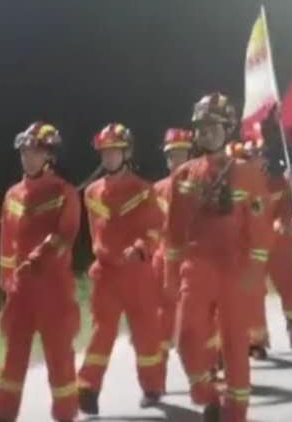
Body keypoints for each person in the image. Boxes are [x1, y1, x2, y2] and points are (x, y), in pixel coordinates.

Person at [165, 93, 275, 422]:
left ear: (228, 129)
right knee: (186, 339)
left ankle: (235, 412)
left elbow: (260, 231)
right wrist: (170, 276)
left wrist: (254, 275)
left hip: (234, 270)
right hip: (196, 269)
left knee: (234, 345)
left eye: (214, 126)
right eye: (201, 127)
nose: (207, 133)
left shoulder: (247, 172)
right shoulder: (184, 175)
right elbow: (173, 232)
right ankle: (206, 394)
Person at [0, 122, 81, 422]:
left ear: (49, 156)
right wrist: (6, 282)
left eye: (35, 152)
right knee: (12, 356)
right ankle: (0, 413)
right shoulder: (13, 194)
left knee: (59, 358)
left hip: (54, 291)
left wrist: (37, 259)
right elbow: (6, 243)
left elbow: (65, 235)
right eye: (24, 152)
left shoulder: (64, 192)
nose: (28, 158)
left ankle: (65, 413)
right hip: (20, 294)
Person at [77, 123, 165, 414]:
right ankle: (87, 388)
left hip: (137, 273)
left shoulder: (143, 190)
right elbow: (95, 232)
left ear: (126, 153)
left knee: (145, 332)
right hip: (106, 275)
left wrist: (140, 248)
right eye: (105, 152)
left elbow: (155, 229)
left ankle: (152, 386)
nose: (109, 156)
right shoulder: (91, 192)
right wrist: (101, 255)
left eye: (114, 151)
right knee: (101, 333)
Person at [245, 139, 292, 358]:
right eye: (250, 156)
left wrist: (283, 221)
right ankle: (257, 341)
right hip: (252, 248)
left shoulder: (279, 183)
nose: (255, 160)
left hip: (278, 243)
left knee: (288, 286)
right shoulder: (240, 186)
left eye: (258, 155)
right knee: (253, 294)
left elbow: (285, 209)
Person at [152, 127, 194, 385]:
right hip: (163, 261)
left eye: (180, 154)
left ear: (189, 156)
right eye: (171, 155)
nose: (175, 159)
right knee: (161, 321)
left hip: (193, 260)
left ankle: (209, 370)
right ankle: (156, 380)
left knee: (200, 317)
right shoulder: (156, 190)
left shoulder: (200, 187)